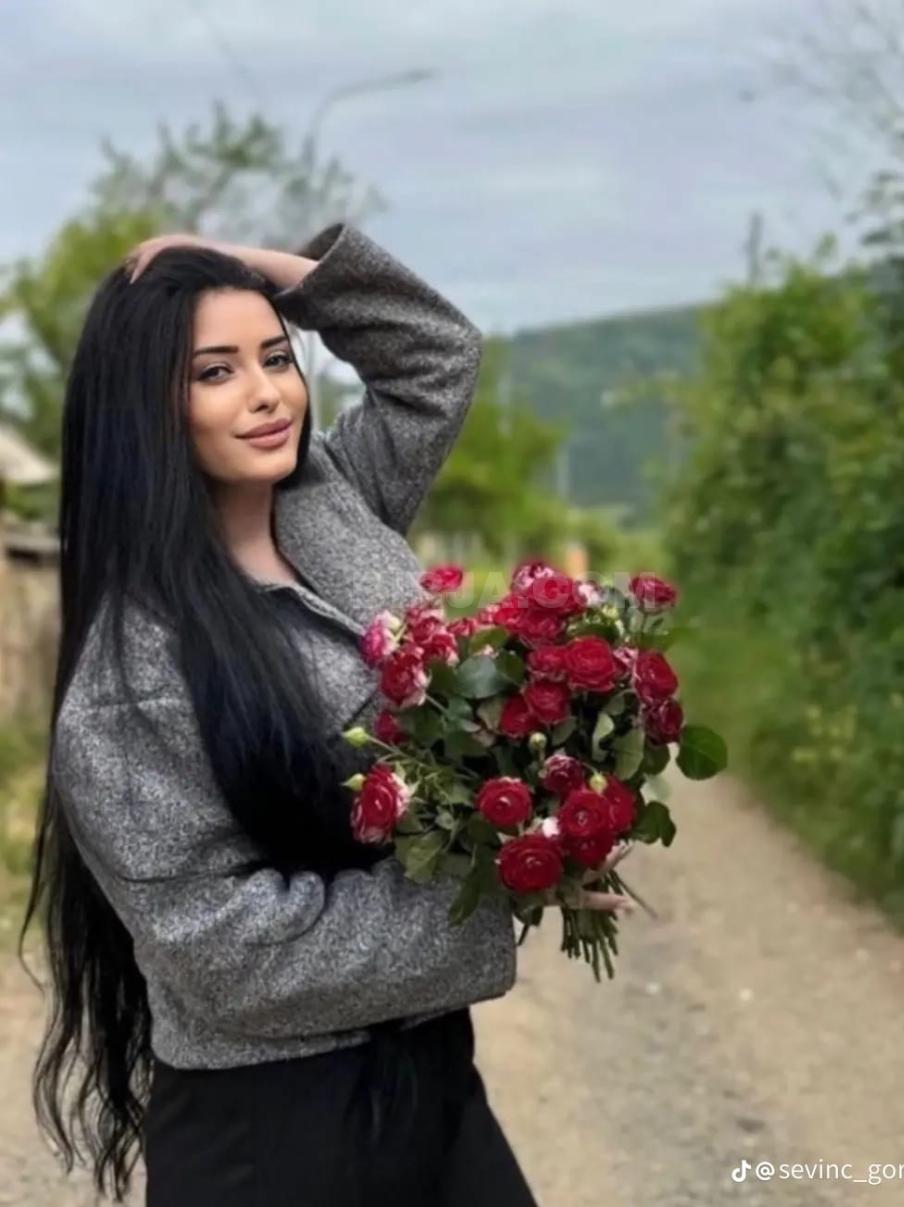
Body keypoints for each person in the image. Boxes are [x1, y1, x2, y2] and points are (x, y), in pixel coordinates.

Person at [18, 218, 631, 1205]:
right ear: (146, 406)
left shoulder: (332, 504)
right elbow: (221, 950)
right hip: (274, 1130)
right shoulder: (134, 667)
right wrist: (496, 890)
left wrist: (248, 265)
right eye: (214, 372)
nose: (267, 392)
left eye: (276, 357)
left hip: (432, 1077)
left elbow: (436, 356)